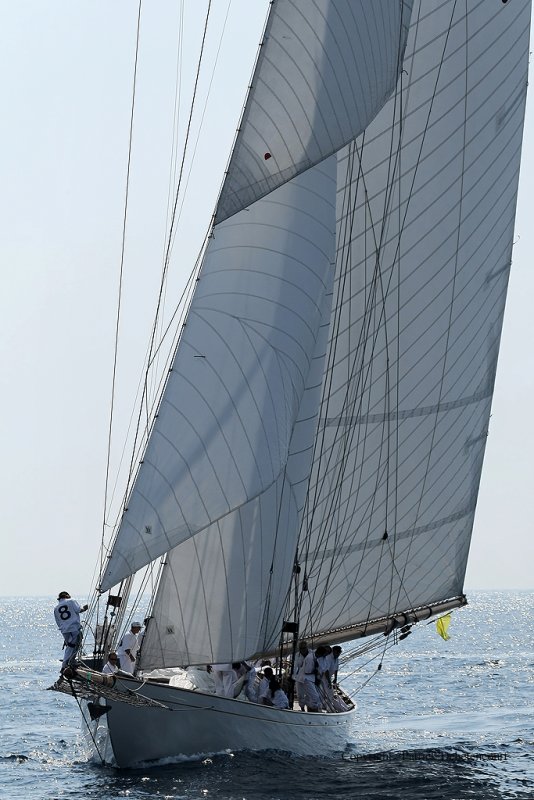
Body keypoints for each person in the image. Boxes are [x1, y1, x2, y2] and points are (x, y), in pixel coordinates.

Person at [53, 591, 88, 671]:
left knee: (70, 645)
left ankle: (68, 662)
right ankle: (68, 663)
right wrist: (85, 608)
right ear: (67, 596)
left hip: (64, 630)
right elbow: (79, 610)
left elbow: (58, 622)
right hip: (74, 627)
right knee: (76, 644)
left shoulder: (56, 608)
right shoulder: (71, 601)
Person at [292, 640, 321, 712]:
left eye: (304, 648)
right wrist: (293, 676)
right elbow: (295, 667)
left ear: (307, 647)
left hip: (309, 678)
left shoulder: (312, 653)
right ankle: (302, 708)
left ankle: (311, 708)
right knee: (300, 694)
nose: (303, 650)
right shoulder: (297, 655)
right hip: (299, 678)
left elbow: (317, 665)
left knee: (311, 694)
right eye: (301, 648)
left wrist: (317, 676)